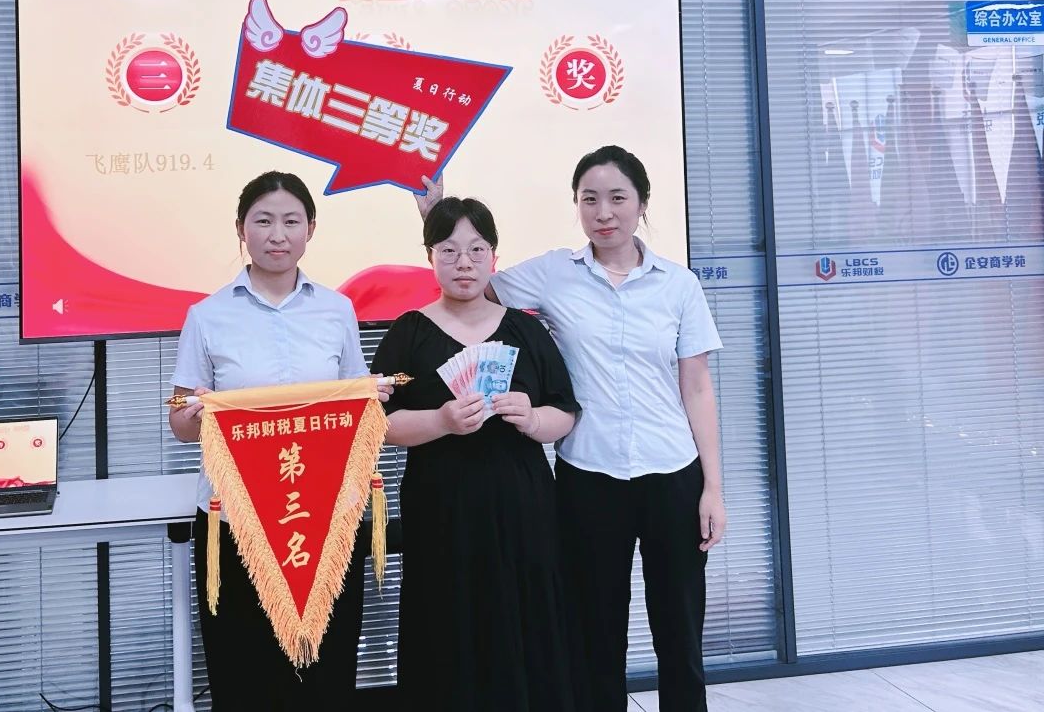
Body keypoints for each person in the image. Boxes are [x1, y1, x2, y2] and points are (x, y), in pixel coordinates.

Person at [417, 146, 726, 712]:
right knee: (594, 633)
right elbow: (472, 282)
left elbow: (698, 389)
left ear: (642, 203)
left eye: (617, 198)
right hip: (589, 476)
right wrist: (434, 215)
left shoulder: (679, 285)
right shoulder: (555, 272)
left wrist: (713, 488)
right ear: (577, 205)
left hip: (673, 475)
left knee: (680, 633)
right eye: (590, 200)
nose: (603, 212)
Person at [167, 171, 383, 712]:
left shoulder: (336, 309)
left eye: (291, 221)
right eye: (263, 221)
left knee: (325, 668)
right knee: (244, 667)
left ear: (311, 228)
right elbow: (179, 419)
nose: (278, 235)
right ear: (241, 229)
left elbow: (355, 403)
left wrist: (371, 398)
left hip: (326, 516)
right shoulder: (207, 316)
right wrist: (194, 414)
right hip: (237, 518)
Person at [371, 195, 580, 712]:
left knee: (525, 618)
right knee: (446, 621)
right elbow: (378, 425)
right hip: (440, 507)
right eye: (448, 250)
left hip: (522, 507)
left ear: (494, 257)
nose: (463, 262)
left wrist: (533, 419)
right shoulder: (407, 333)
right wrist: (441, 421)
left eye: (476, 249)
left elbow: (565, 411)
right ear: (429, 256)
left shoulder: (526, 330)